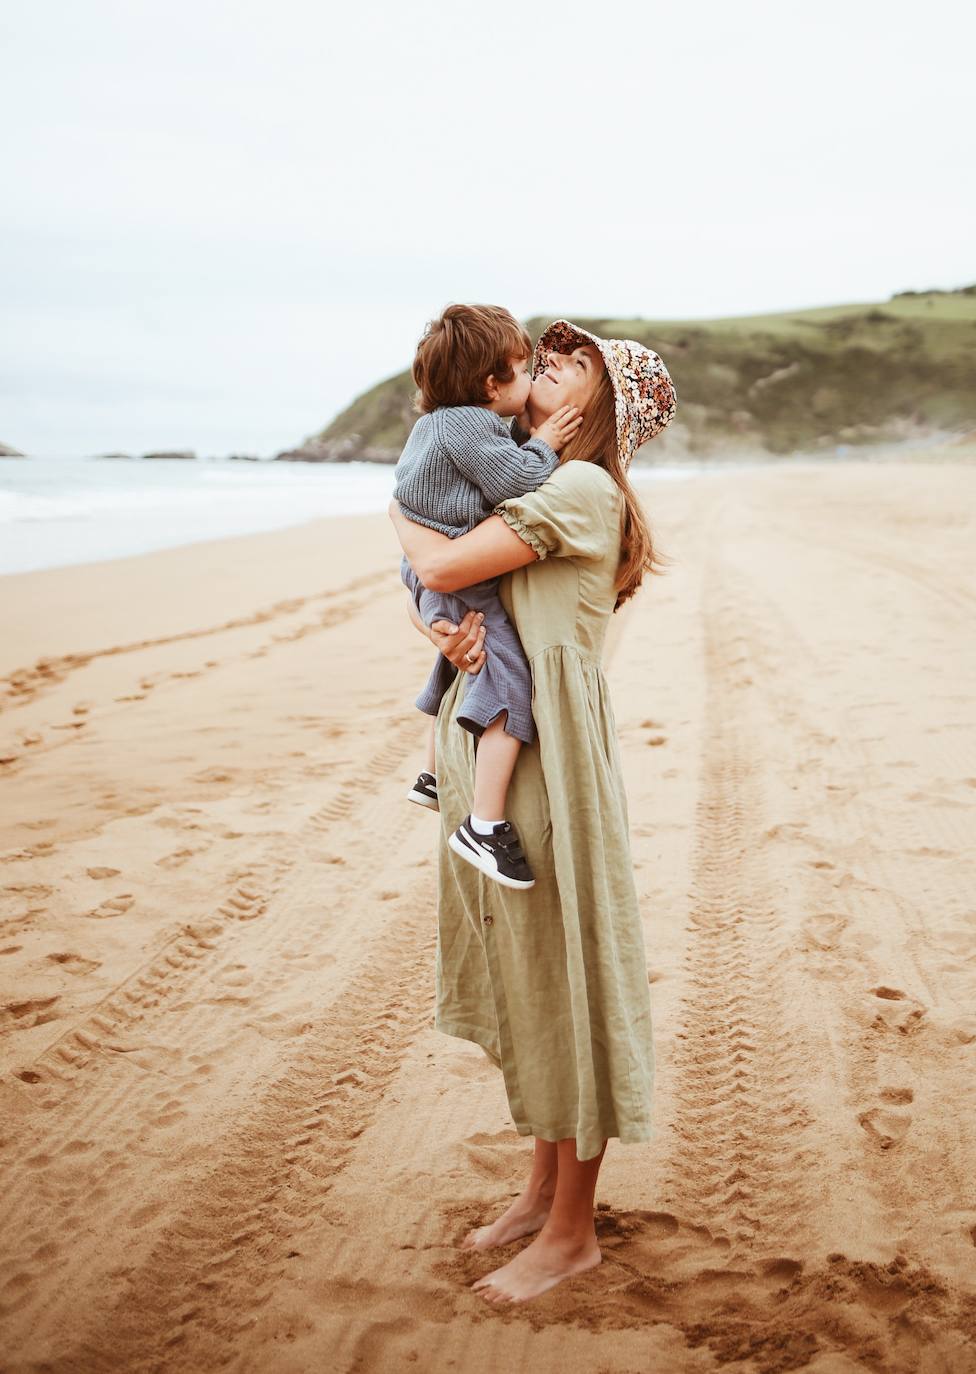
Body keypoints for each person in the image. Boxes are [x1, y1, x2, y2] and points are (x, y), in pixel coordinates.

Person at [389, 318, 677, 1305]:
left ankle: (571, 1234)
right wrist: (444, 627)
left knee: (570, 983)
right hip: (513, 741)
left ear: (601, 404)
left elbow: (440, 562)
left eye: (573, 361)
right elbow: (451, 594)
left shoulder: (584, 489)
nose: (550, 362)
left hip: (552, 764)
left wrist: (402, 526)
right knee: (532, 977)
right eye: (546, 354)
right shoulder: (525, 478)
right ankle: (540, 1193)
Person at [393, 303, 584, 890]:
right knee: (507, 681)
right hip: (456, 574)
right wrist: (547, 443)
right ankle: (484, 822)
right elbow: (516, 481)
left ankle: (429, 776)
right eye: (526, 370)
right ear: (490, 384)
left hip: (428, 569)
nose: (534, 379)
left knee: (457, 660)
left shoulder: (438, 424)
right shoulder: (471, 426)